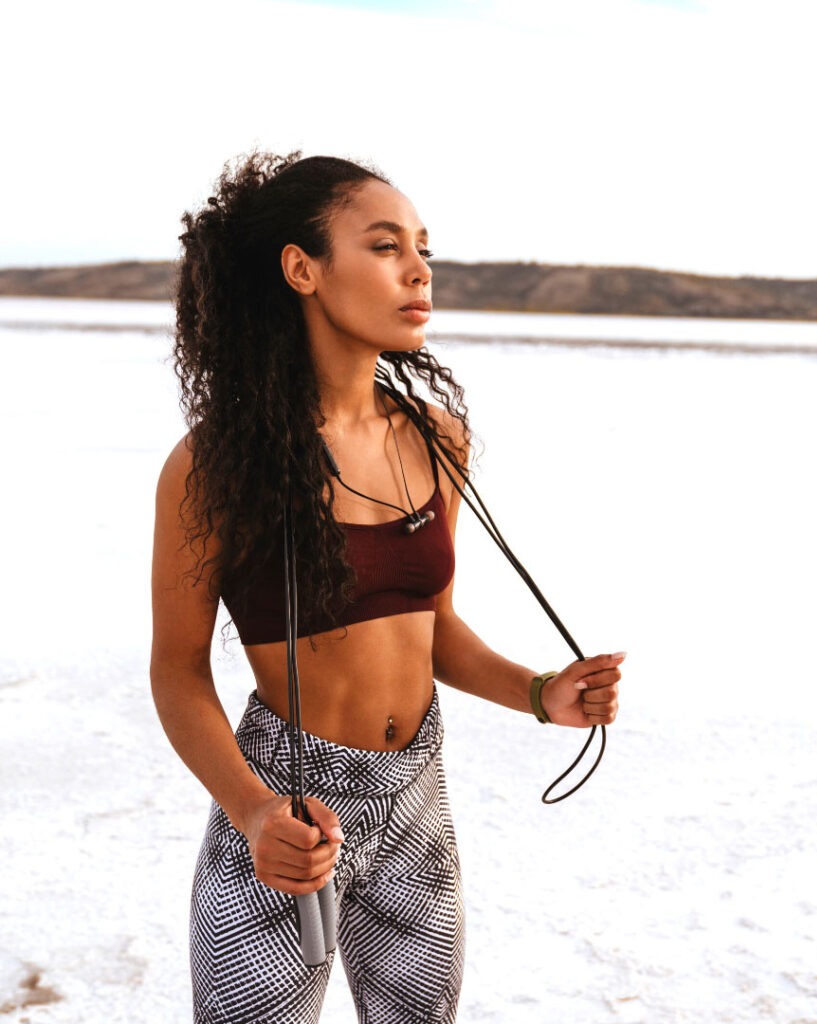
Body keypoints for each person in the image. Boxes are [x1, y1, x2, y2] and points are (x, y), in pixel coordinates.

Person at [150, 150, 624, 1024]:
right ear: (302, 269)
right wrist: (255, 815)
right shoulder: (216, 465)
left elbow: (432, 625)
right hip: (289, 809)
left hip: (417, 801)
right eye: (383, 246)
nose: (419, 271)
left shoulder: (436, 438)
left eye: (424, 249)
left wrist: (538, 693)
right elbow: (177, 671)